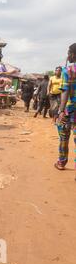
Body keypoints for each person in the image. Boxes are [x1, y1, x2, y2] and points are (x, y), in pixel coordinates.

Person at [55, 43, 76, 172]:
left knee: (63, 136)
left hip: (69, 108)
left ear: (72, 54)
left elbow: (65, 91)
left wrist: (61, 110)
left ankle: (62, 162)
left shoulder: (68, 70)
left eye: (69, 53)